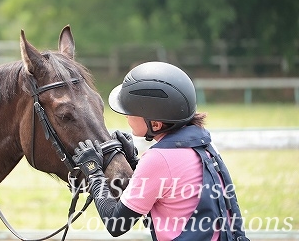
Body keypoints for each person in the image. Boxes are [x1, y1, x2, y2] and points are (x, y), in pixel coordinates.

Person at [72, 62, 249, 241]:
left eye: (130, 111)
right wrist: (134, 161)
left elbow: (116, 224)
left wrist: (94, 171)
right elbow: (163, 204)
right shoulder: (203, 144)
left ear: (155, 124)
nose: (125, 115)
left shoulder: (159, 159)